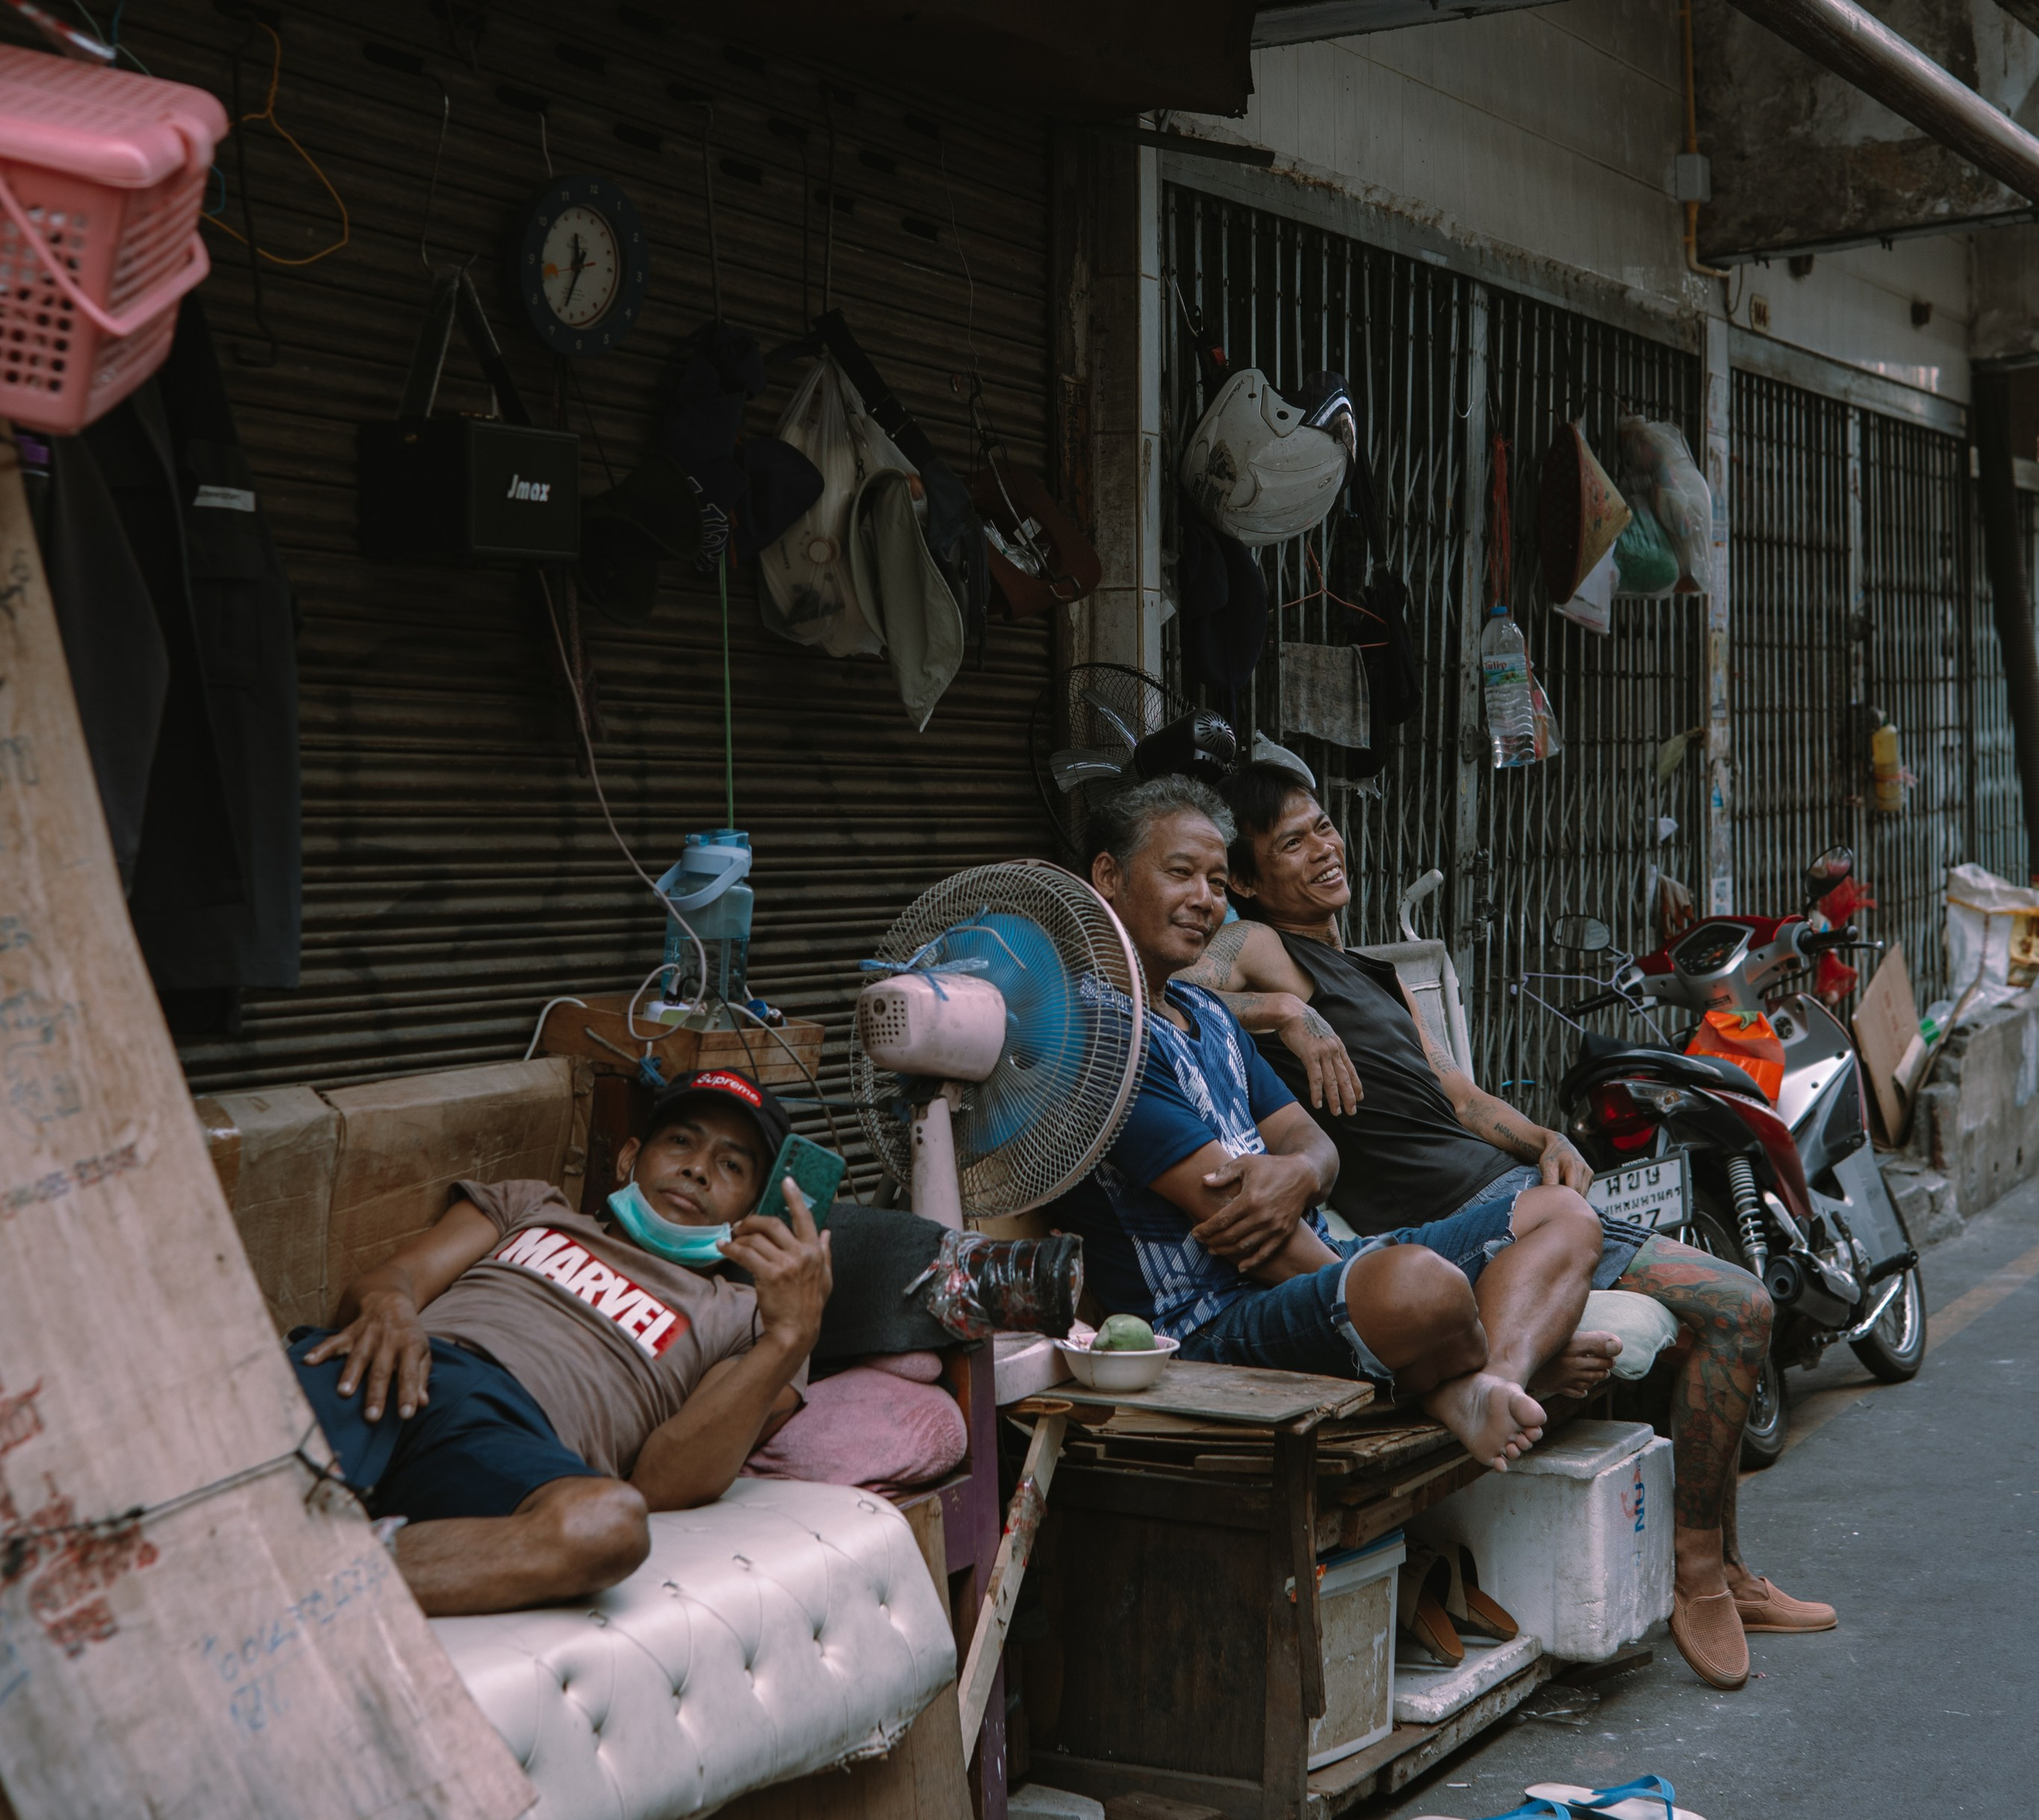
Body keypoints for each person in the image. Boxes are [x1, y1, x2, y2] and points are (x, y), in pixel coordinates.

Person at [1193, 765, 1837, 1690]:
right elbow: (1176, 989)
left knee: (1729, 1308)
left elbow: (1454, 1095)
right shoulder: (1257, 943)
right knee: (1737, 1310)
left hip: (1507, 1191)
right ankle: (1703, 1578)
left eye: (1324, 827)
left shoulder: (1374, 973)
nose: (1323, 850)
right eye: (1291, 843)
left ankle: (1726, 1569)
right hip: (1447, 1222)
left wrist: (1543, 1139)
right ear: (1248, 879)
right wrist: (1288, 1014)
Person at [288, 1070, 1012, 1617]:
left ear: (751, 1208)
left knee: (608, 1528)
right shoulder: (533, 1206)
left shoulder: (743, 1319)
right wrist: (389, 1306)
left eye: (731, 1166)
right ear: (631, 1155)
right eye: (680, 1142)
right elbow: (396, 1279)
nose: (697, 1168)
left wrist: (792, 1335)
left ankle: (317, 1577)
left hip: (511, 1437)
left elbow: (664, 1483)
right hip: (399, 1366)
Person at [1064, 777, 1548, 1474]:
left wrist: (1301, 1172)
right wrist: (1367, 1279)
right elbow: (1246, 1226)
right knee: (1422, 1287)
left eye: (1216, 882)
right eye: (1180, 874)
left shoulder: (1208, 1016)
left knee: (1559, 1213)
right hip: (1211, 1325)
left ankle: (1489, 1379)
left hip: (1306, 1270)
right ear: (1108, 876)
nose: (1205, 899)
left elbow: (1311, 1143)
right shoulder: (1100, 1035)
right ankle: (1459, 1382)